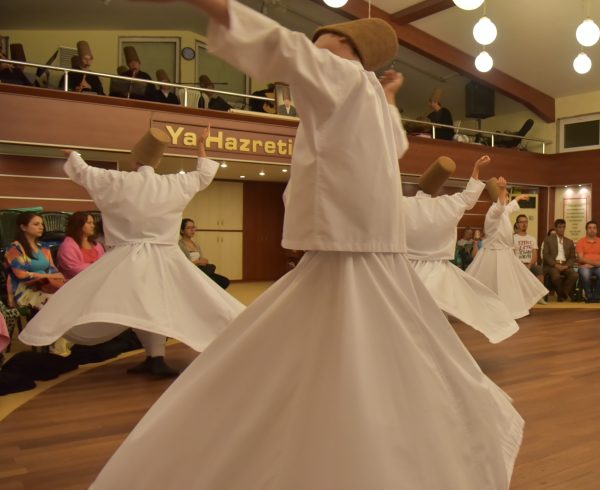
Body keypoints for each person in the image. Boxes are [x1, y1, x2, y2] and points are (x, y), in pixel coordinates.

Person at [91, 2, 522, 489]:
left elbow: (285, 49)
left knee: (323, 347)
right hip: (367, 248)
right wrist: (390, 96)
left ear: (347, 48)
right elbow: (396, 143)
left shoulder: (341, 75)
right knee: (382, 349)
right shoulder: (369, 98)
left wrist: (219, 7)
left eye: (328, 38)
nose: (318, 43)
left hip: (345, 246)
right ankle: (392, 437)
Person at [19, 126, 245, 378]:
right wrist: (201, 146)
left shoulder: (119, 181)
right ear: (158, 161)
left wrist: (74, 155)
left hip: (127, 258)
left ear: (135, 160)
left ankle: (154, 356)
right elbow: (202, 176)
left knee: (131, 305)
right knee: (165, 304)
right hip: (165, 257)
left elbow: (84, 172)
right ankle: (155, 356)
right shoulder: (173, 183)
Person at [403, 155, 518, 343]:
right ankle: (436, 346)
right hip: (438, 270)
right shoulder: (446, 204)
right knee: (440, 312)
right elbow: (469, 197)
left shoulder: (403, 204)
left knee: (410, 311)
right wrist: (476, 169)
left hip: (406, 268)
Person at [467, 177, 549, 317]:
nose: (507, 198)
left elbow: (508, 208)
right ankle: (497, 309)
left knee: (509, 283)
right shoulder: (493, 212)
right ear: (499, 196)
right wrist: (503, 188)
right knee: (496, 283)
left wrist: (517, 199)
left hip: (504, 252)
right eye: (506, 196)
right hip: (494, 253)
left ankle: (506, 308)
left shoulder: (502, 210)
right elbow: (500, 206)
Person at [5, 213, 65, 310]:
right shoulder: (14, 248)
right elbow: (22, 275)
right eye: (36, 224)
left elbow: (54, 270)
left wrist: (44, 276)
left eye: (42, 224)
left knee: (71, 297)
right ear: (23, 227)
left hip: (47, 286)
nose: (41, 227)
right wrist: (45, 277)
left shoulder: (44, 247)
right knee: (55, 303)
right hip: (26, 291)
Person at [178, 218, 231, 289]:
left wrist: (203, 261)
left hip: (201, 270)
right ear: (182, 230)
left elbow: (201, 258)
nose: (192, 230)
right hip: (191, 272)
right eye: (188, 228)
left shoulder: (196, 244)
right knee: (215, 280)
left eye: (193, 227)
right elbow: (182, 264)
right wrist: (198, 262)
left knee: (225, 281)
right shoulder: (179, 245)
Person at [58, 212, 105, 280]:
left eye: (93, 223)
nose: (93, 226)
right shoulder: (67, 246)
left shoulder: (97, 245)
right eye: (89, 223)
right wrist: (99, 268)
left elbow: (104, 263)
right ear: (78, 225)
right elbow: (74, 269)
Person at [542, 218, 578, 302]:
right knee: (556, 276)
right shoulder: (548, 239)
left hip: (565, 265)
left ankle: (562, 294)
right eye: (559, 227)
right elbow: (546, 255)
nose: (562, 229)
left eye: (563, 227)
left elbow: (573, 257)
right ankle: (563, 295)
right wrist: (555, 265)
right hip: (552, 265)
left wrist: (566, 266)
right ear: (555, 228)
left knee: (575, 275)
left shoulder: (569, 241)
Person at [575, 220, 600, 303]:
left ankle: (596, 296)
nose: (592, 230)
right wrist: (595, 263)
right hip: (585, 266)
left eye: (594, 228)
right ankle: (589, 296)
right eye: (590, 228)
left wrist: (592, 265)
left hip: (598, 265)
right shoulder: (581, 242)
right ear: (586, 230)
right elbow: (580, 258)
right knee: (585, 274)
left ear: (597, 230)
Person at [513, 214, 545, 303]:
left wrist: (530, 265)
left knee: (539, 269)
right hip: (518, 265)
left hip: (530, 264)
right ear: (517, 224)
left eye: (526, 222)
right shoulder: (513, 238)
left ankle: (539, 296)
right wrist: (521, 265)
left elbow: (535, 255)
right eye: (522, 222)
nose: (524, 224)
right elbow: (512, 255)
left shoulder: (532, 238)